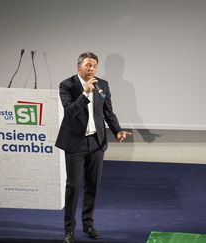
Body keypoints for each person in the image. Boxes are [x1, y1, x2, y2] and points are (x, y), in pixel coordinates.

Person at [55, 52, 132, 243]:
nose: (92, 69)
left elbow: (107, 111)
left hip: (96, 143)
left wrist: (117, 130)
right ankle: (69, 230)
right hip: (75, 144)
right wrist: (85, 93)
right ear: (79, 67)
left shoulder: (102, 85)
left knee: (93, 185)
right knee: (73, 186)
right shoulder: (67, 85)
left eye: (95, 66)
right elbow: (70, 112)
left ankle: (88, 224)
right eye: (88, 65)